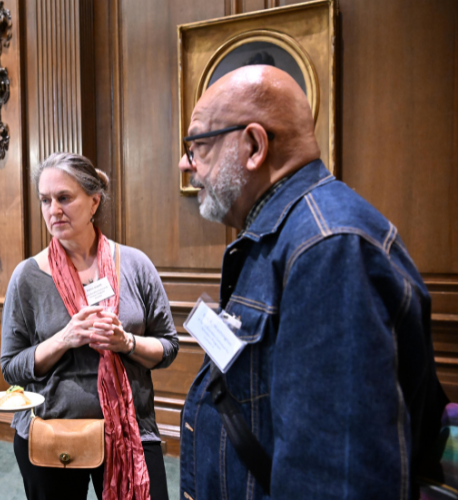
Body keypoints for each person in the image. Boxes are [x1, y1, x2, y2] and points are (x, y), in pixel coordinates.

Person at [177, 65, 447, 499]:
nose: (185, 163)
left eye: (199, 145)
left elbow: (337, 477)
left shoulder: (328, 248)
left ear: (253, 145)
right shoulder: (286, 234)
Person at [1, 152, 179, 500]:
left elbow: (168, 347)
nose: (54, 209)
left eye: (64, 198)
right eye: (45, 200)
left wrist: (126, 342)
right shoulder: (27, 277)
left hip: (131, 431)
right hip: (54, 432)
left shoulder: (136, 265)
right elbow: (11, 369)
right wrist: (64, 339)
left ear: (94, 201)